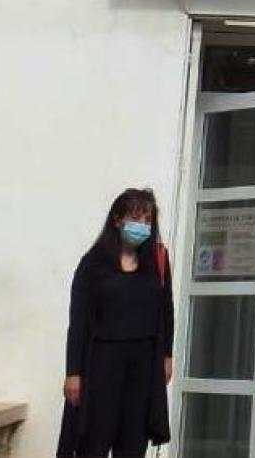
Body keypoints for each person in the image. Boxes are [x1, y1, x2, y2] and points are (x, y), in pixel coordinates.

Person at [57, 188, 174, 458]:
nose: (142, 226)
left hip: (144, 362)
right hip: (102, 361)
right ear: (117, 220)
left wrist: (167, 355)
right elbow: (78, 321)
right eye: (136, 218)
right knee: (94, 439)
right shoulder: (93, 263)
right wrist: (73, 373)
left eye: (148, 220)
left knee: (133, 440)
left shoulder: (158, 259)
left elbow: (166, 310)